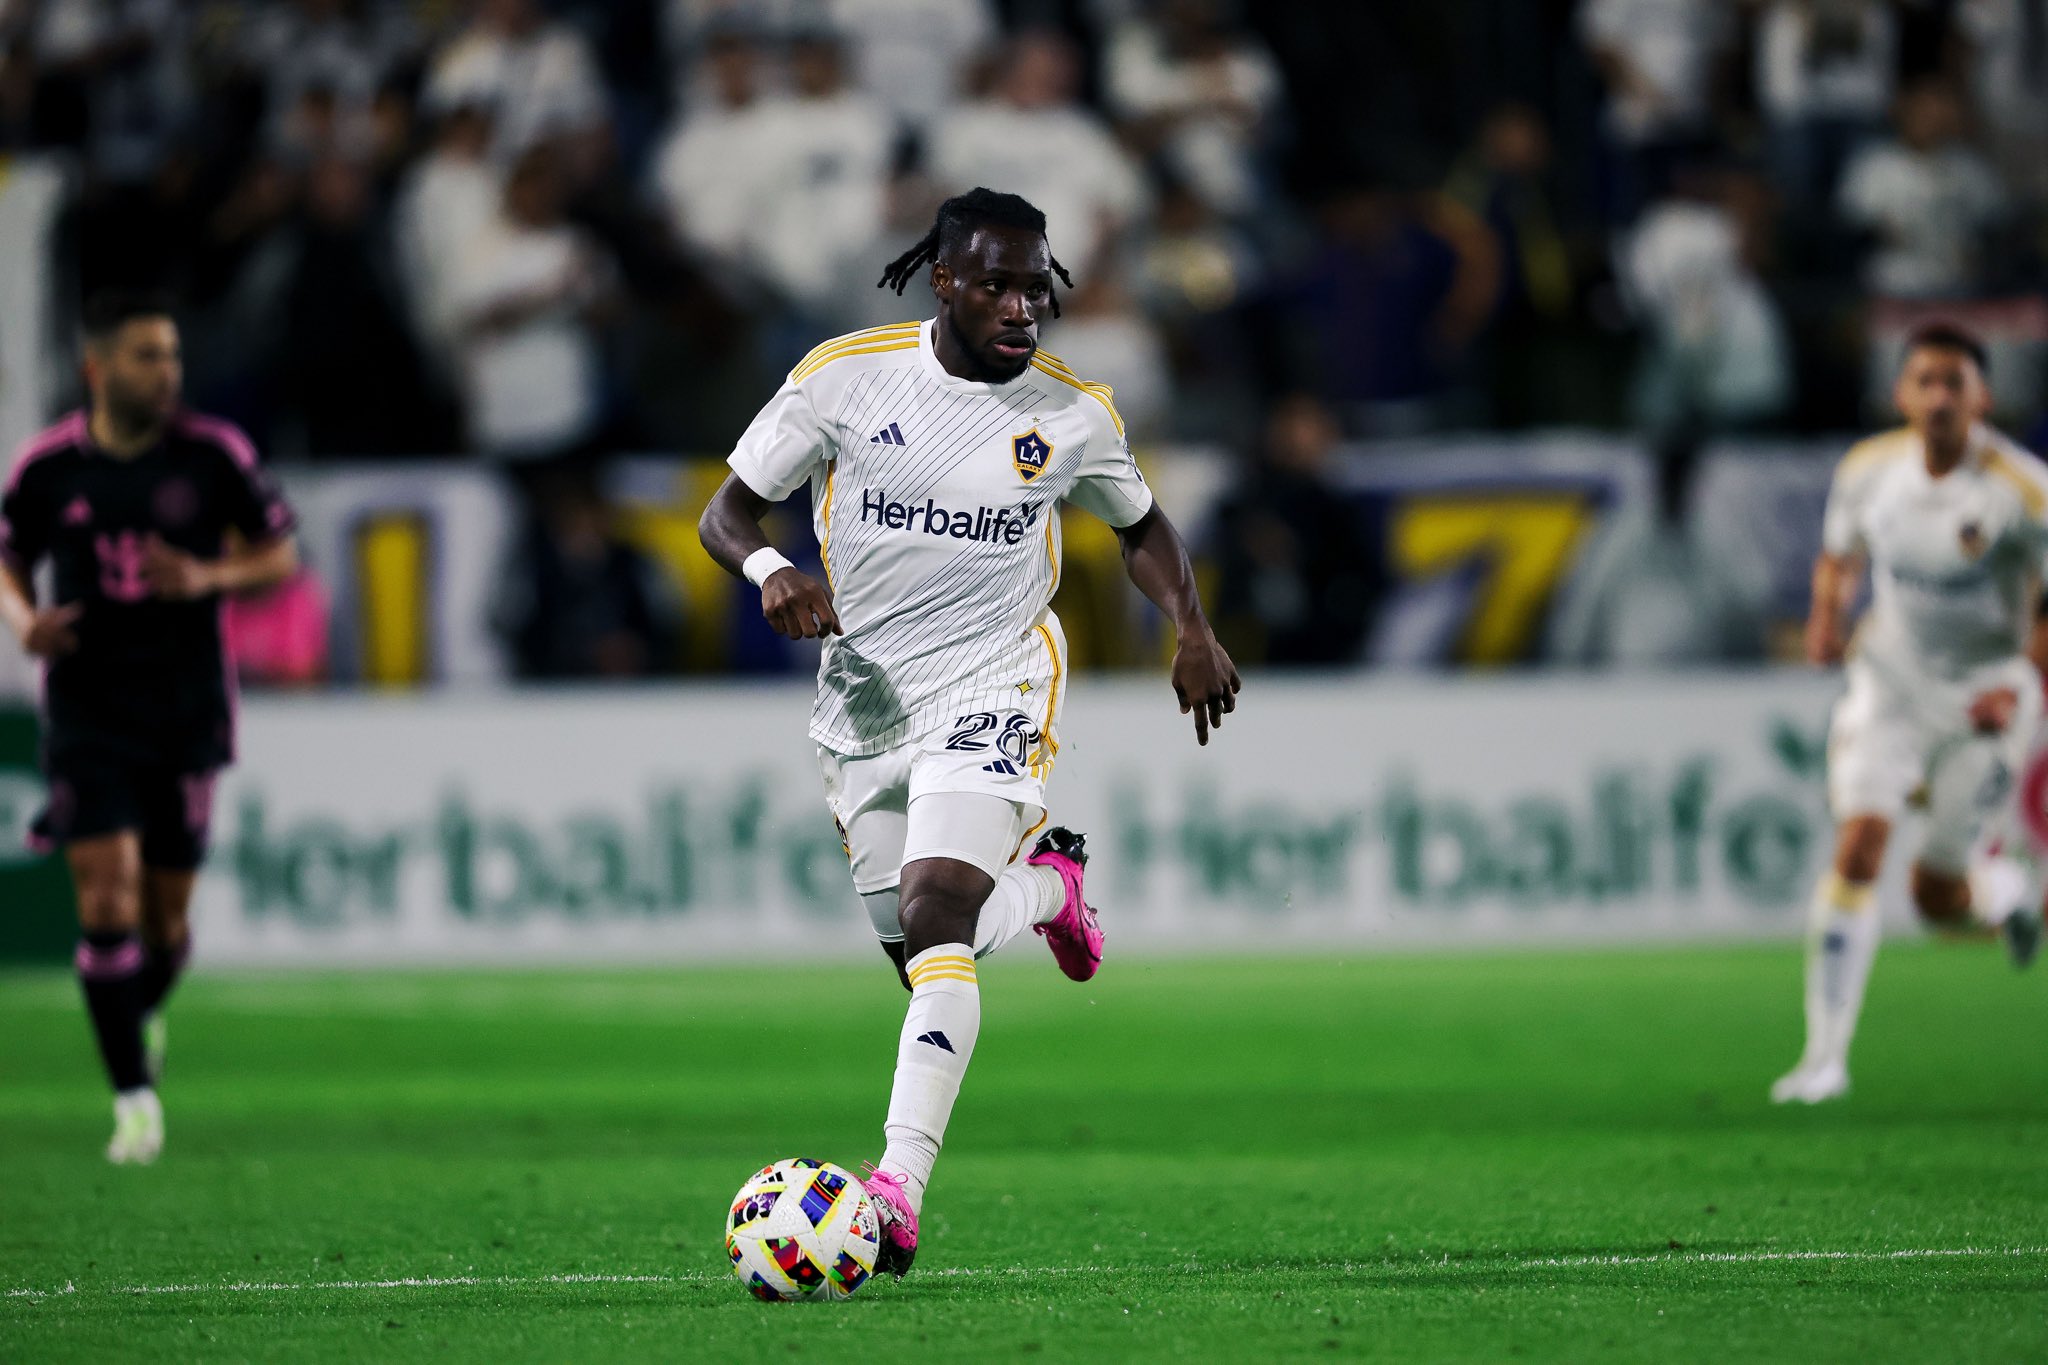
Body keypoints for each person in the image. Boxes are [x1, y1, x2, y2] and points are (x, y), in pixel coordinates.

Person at [696, 188, 1239, 1277]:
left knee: (937, 908)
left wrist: (1189, 625)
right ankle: (1047, 887)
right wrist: (771, 571)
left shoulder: (1071, 412)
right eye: (993, 283)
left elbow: (1141, 526)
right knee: (925, 954)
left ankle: (895, 1192)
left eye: (1033, 285)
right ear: (942, 281)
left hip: (994, 677)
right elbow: (726, 513)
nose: (1018, 306)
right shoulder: (842, 379)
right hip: (863, 701)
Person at [0, 293, 300, 1161]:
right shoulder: (49, 466)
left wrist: (208, 576)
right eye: (145, 357)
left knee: (166, 924)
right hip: (88, 710)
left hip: (187, 706)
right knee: (106, 894)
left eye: (171, 356)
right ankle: (134, 1098)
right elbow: (8, 555)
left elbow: (279, 550)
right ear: (98, 368)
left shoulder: (214, 454)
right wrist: (23, 625)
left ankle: (140, 1011)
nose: (166, 373)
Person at [1774, 323, 2047, 1106]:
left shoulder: (2021, 490)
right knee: (1858, 844)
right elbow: (1840, 554)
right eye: (1923, 381)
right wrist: (1826, 614)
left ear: (1981, 397)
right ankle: (1823, 1057)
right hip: (1890, 678)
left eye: (1953, 383)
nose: (1938, 397)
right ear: (1900, 395)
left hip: (1984, 696)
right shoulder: (1869, 470)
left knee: (1937, 898)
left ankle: (2006, 892)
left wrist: (2023, 675)